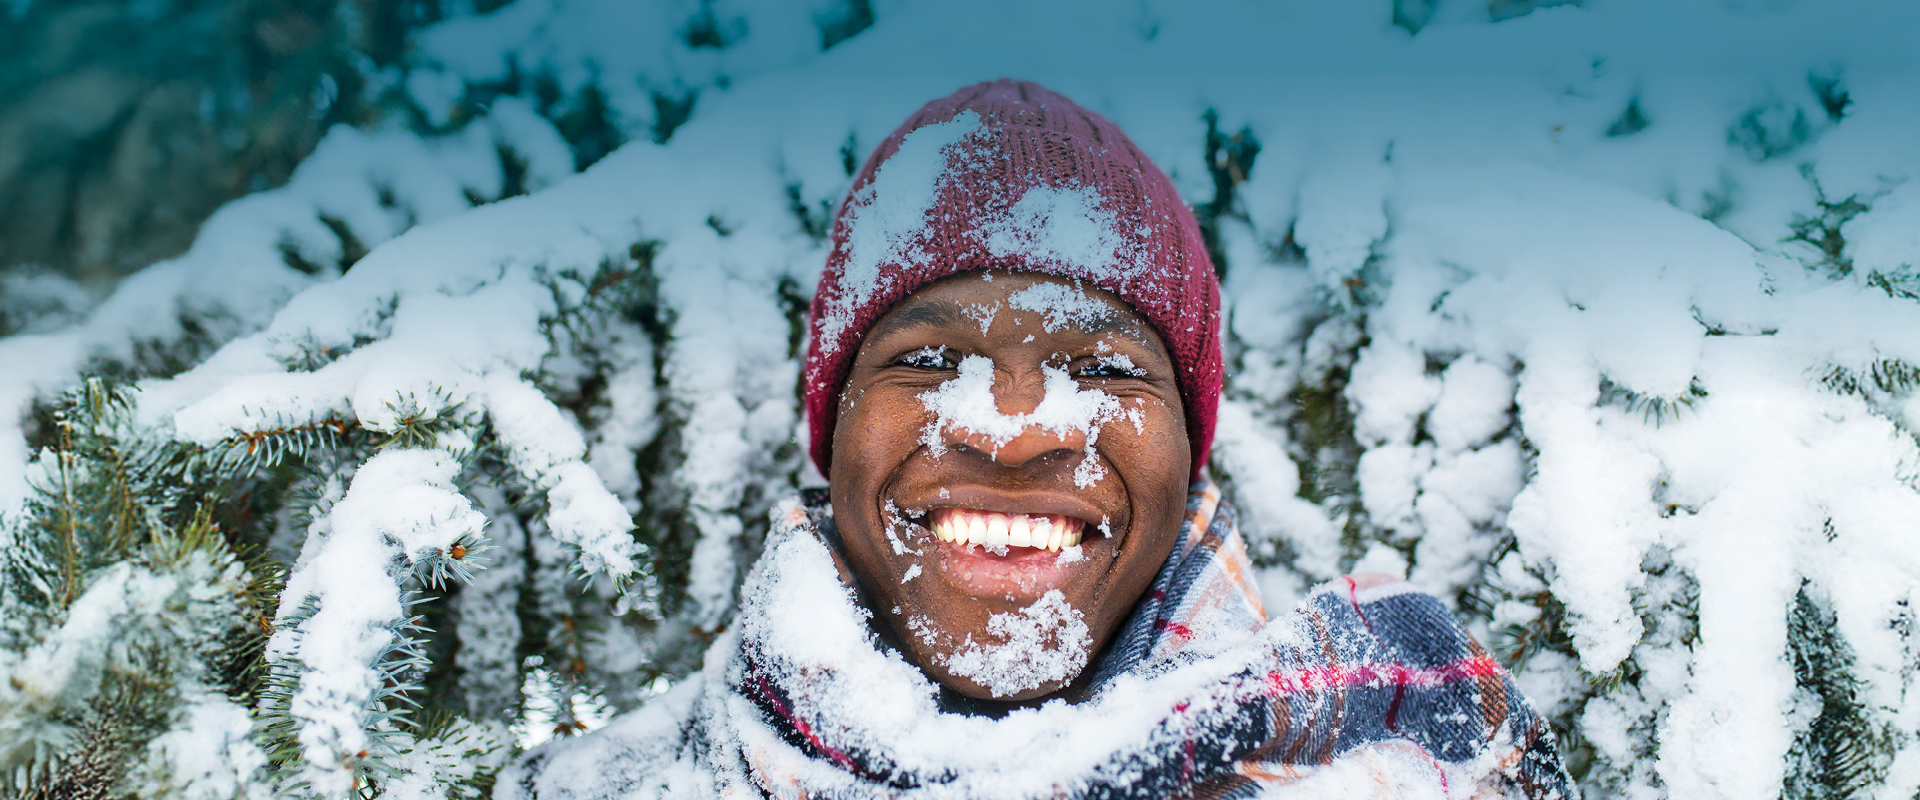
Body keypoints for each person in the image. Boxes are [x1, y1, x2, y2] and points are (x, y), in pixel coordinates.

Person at [500, 79, 1573, 800]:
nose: (1013, 432)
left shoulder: (1415, 754)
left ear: (1189, 444)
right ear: (832, 429)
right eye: (927, 360)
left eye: (1105, 368)